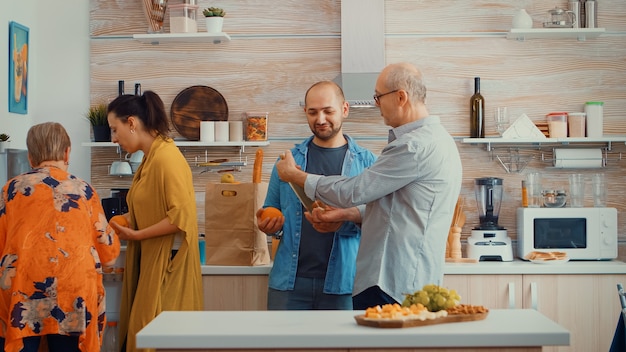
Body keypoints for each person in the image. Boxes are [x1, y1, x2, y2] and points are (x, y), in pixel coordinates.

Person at [275, 63, 463, 310]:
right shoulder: (439, 140)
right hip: (406, 281)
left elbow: (354, 191)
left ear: (401, 97)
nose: (376, 104)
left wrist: (296, 177)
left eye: (378, 96)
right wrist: (348, 214)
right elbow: (399, 209)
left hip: (393, 284)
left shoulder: (413, 146)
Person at [0, 122, 120, 352]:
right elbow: (109, 255)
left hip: (22, 288)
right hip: (74, 290)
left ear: (31, 156)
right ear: (67, 152)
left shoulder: (12, 190)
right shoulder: (84, 191)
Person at [257, 81, 377, 310]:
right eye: (313, 112)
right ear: (305, 113)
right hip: (288, 284)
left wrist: (343, 221)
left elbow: (377, 220)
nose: (320, 119)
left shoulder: (368, 164)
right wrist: (271, 224)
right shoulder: (287, 163)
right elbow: (272, 209)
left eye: (328, 111)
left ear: (344, 109)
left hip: (345, 284)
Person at [107, 91, 203, 352]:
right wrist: (124, 219)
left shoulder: (167, 158)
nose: (114, 138)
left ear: (132, 123)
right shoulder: (150, 158)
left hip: (168, 264)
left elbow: (179, 217)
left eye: (115, 129)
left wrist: (136, 235)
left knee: (154, 338)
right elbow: (151, 208)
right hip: (154, 260)